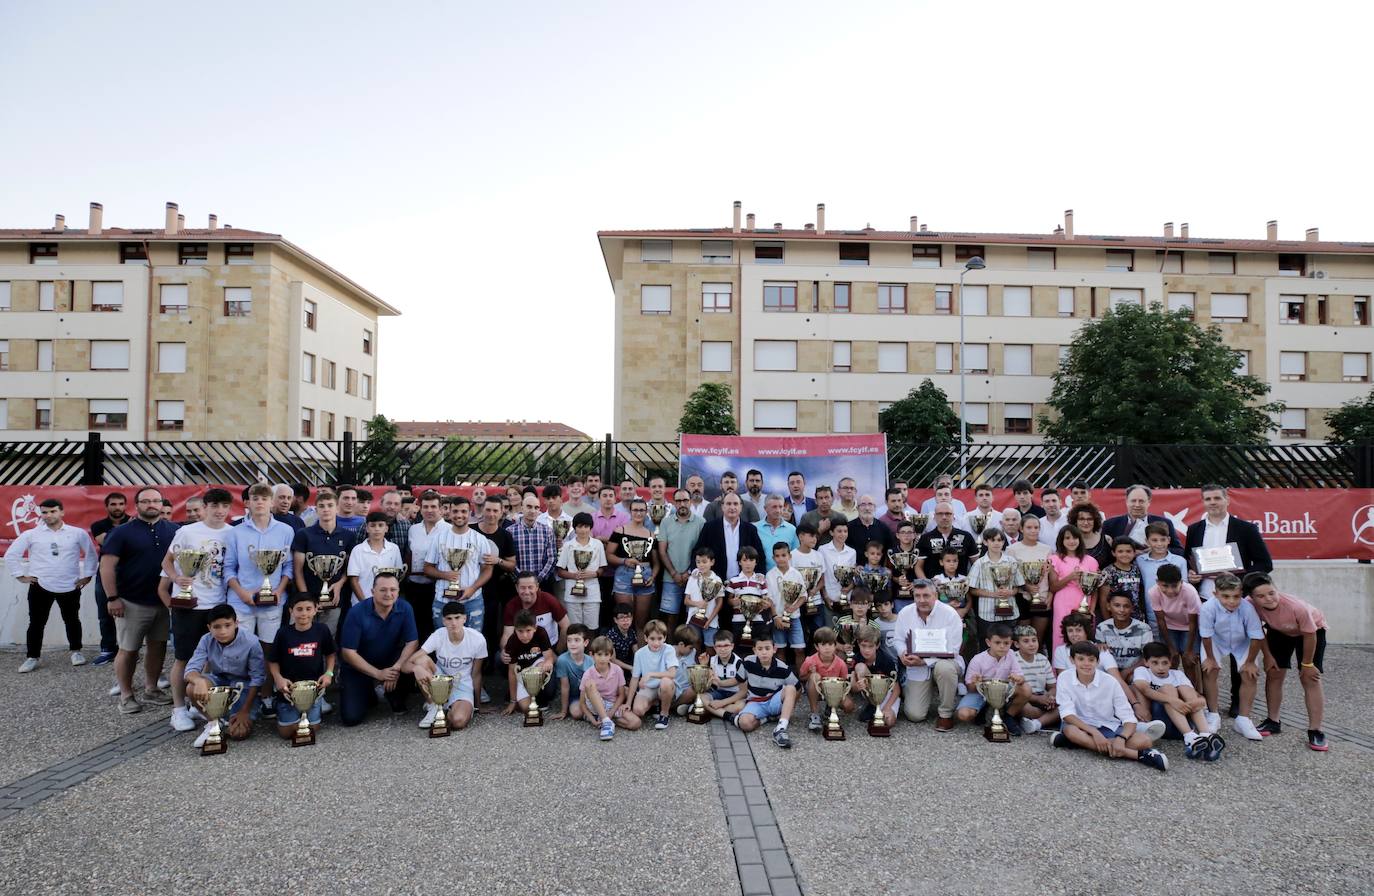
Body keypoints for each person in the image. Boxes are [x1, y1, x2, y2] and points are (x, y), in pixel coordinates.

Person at [158, 487, 233, 731]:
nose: (220, 511)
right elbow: (167, 561)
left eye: (224, 507)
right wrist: (176, 578)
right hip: (189, 604)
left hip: (219, 604)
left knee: (212, 659)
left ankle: (199, 703)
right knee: (184, 658)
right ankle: (178, 709)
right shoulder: (187, 531)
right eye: (215, 506)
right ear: (205, 508)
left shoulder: (233, 533)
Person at [100, 487, 179, 714]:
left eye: (156, 501)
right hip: (131, 602)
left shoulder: (174, 530)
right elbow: (106, 567)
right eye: (146, 501)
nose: (152, 505)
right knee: (128, 649)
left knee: (158, 646)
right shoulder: (121, 532)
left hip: (163, 602)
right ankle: (126, 695)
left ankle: (151, 689)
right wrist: (112, 598)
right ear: (137, 505)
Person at [6, 497, 97, 672]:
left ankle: (76, 652)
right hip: (40, 585)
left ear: (62, 512)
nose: (48, 515)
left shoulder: (77, 533)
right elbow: (12, 555)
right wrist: (20, 576)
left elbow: (91, 554)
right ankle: (32, 657)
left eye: (53, 511)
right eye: (45, 512)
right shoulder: (31, 534)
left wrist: (88, 575)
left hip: (70, 585)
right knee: (36, 623)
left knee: (72, 620)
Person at [1051, 641, 1169, 772]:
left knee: (1145, 741)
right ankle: (1139, 756)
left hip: (1107, 725)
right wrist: (1094, 733)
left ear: (1097, 662)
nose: (1086, 664)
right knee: (1070, 730)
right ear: (1072, 660)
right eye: (1081, 659)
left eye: (1091, 660)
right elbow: (1067, 715)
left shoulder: (1110, 682)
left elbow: (1128, 717)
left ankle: (1076, 743)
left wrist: (1121, 738)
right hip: (1079, 726)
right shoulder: (1064, 678)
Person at [1244, 572, 1329, 751]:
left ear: (1276, 589)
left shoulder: (1296, 607)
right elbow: (1257, 629)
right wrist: (1267, 656)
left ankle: (1316, 730)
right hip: (1278, 631)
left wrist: (1307, 664)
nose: (1268, 599)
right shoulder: (1249, 605)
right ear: (1252, 597)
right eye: (1261, 596)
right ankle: (1273, 720)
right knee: (1274, 673)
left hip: (1310, 633)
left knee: (1309, 678)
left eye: (1271, 593)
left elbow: (1310, 634)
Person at [337, 572, 419, 725]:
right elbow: (348, 653)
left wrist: (396, 668)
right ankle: (369, 691)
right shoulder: (356, 612)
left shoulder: (405, 607)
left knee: (413, 665)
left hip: (390, 665)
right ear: (372, 591)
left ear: (398, 591)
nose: (388, 594)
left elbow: (412, 642)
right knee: (351, 718)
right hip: (359, 667)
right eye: (383, 590)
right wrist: (378, 674)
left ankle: (393, 695)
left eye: (393, 590)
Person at [183, 604, 265, 748]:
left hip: (242, 687)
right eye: (217, 627)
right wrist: (199, 681)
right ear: (209, 628)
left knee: (238, 734)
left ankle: (235, 716)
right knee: (191, 687)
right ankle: (213, 722)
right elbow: (190, 669)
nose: (223, 631)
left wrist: (244, 711)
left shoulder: (251, 642)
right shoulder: (206, 639)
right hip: (219, 681)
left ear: (236, 623)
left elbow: (257, 679)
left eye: (228, 625)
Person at [1196, 573, 1265, 739]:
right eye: (1225, 596)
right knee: (1210, 670)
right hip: (1216, 640)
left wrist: (1249, 662)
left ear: (1241, 593)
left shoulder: (1248, 608)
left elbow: (1257, 636)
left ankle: (1243, 719)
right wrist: (1211, 659)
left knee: (1250, 674)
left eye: (1236, 596)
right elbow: (1206, 635)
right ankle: (1213, 714)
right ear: (1215, 594)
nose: (1232, 601)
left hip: (1243, 641)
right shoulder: (1207, 608)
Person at [1131, 642, 1223, 761]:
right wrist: (1173, 700)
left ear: (1170, 662)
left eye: (1165, 663)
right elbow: (1144, 689)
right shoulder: (1142, 671)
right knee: (1168, 688)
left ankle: (1204, 736)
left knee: (1185, 689)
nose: (1161, 667)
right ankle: (1190, 737)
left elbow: (1198, 699)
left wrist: (1194, 702)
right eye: (1155, 663)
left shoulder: (1177, 674)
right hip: (1159, 723)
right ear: (1146, 662)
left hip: (1182, 722)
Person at [408, 599, 487, 732]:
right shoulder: (438, 635)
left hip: (462, 684)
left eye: (457, 618)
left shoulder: (477, 639)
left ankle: (447, 709)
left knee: (458, 721)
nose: (453, 623)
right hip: (439, 679)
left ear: (464, 618)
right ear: (443, 621)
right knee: (421, 661)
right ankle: (433, 704)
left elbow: (476, 673)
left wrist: (478, 704)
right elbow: (410, 661)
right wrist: (416, 668)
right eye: (449, 619)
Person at [895, 579, 965, 729]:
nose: (921, 600)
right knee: (915, 715)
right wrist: (902, 653)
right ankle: (929, 690)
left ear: (935, 595)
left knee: (944, 669)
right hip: (917, 666)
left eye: (926, 595)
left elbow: (953, 649)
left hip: (946, 662)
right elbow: (898, 639)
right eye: (917, 596)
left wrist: (924, 661)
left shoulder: (950, 614)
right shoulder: (905, 613)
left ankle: (945, 714)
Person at [1185, 484, 1273, 601]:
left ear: (1227, 500)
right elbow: (1188, 560)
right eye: (1208, 499)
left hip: (1236, 597)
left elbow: (1265, 564)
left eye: (1217, 498)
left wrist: (1238, 578)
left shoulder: (1246, 529)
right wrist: (1191, 574)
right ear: (1203, 502)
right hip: (1202, 597)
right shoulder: (1194, 529)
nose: (1212, 502)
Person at [423, 496, 495, 636]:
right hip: (443, 600)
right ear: (449, 513)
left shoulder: (479, 539)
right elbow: (427, 568)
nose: (459, 515)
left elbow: (487, 570)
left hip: (472, 600)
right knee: (443, 642)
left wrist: (472, 589)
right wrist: (445, 575)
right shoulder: (439, 538)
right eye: (455, 511)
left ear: (470, 513)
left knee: (473, 642)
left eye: (463, 511)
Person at [268, 593, 336, 740]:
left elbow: (330, 654)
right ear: (291, 611)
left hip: (312, 691)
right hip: (288, 692)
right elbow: (273, 661)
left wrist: (328, 673)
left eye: (308, 608)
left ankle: (312, 709)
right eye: (299, 609)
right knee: (286, 734)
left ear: (316, 609)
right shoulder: (283, 633)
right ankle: (279, 706)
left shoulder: (322, 630)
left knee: (313, 729)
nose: (304, 613)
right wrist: (278, 678)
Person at [714, 630, 797, 749]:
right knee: (745, 724)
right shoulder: (748, 661)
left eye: (767, 648)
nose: (764, 652)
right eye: (760, 649)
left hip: (774, 700)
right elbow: (737, 679)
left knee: (790, 688)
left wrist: (790, 706)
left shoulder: (783, 668)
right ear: (754, 650)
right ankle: (766, 719)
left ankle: (780, 729)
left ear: (774, 649)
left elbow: (797, 689)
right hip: (755, 701)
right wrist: (720, 682)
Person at [291, 488, 356, 636]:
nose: (326, 509)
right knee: (302, 638)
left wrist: (340, 584)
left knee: (328, 638)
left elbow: (350, 568)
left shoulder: (348, 536)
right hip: (307, 600)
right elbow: (298, 570)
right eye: (321, 506)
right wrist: (306, 598)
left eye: (330, 505)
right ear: (316, 510)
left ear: (337, 508)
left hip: (334, 600)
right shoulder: (304, 534)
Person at [956, 623, 1034, 734]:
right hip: (980, 692)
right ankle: (984, 710)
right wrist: (975, 682)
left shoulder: (1011, 655)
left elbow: (1020, 678)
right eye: (997, 643)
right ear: (988, 642)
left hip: (1002, 692)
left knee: (1026, 689)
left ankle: (1008, 717)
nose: (1002, 646)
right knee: (964, 715)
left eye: (1006, 643)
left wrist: (1018, 679)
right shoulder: (978, 659)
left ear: (1011, 643)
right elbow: (970, 688)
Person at [89, 491, 130, 665]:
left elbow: (126, 543)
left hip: (129, 574)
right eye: (113, 504)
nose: (117, 507)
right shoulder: (98, 525)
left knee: (131, 614)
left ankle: (128, 650)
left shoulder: (135, 522)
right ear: (107, 506)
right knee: (105, 613)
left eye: (121, 504)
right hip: (105, 574)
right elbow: (106, 542)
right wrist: (128, 533)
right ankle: (107, 649)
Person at [656, 488, 706, 627]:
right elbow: (662, 551)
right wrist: (674, 573)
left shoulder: (701, 522)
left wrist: (689, 572)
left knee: (693, 617)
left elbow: (702, 551)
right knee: (670, 618)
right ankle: (672, 647)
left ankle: (689, 647)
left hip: (695, 578)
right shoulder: (666, 522)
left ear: (690, 502)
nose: (682, 504)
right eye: (678, 501)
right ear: (674, 503)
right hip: (670, 577)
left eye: (685, 500)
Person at [608, 498, 659, 631]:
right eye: (635, 510)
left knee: (641, 623)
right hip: (623, 574)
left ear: (646, 512)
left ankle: (640, 650)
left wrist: (653, 577)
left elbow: (656, 563)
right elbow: (608, 555)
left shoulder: (651, 535)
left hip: (645, 575)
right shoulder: (620, 531)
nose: (638, 513)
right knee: (624, 620)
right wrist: (624, 561)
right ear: (630, 512)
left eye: (642, 510)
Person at [693, 492, 766, 585]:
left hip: (743, 584)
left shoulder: (750, 529)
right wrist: (696, 571)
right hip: (716, 583)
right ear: (722, 507)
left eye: (735, 504)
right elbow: (698, 551)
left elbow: (760, 555)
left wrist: (759, 576)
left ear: (741, 507)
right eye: (728, 504)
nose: (732, 507)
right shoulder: (709, 528)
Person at [967, 528, 1025, 642]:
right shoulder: (980, 563)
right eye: (992, 540)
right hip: (987, 613)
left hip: (1010, 612)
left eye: (999, 540)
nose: (996, 543)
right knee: (987, 646)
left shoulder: (1011, 561)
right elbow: (972, 590)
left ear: (1003, 542)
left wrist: (1011, 592)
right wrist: (992, 594)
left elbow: (1018, 586)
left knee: (1008, 645)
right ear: (985, 542)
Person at [1047, 526, 1098, 654]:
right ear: (1061, 540)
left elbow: (1095, 589)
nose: (1072, 541)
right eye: (1067, 538)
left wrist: (1091, 609)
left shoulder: (1091, 561)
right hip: (1062, 603)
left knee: (1083, 635)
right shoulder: (1054, 559)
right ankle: (1059, 669)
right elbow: (1053, 587)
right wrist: (1070, 577)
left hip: (1084, 603)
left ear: (1080, 539)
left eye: (1075, 537)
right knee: (1062, 636)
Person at [580, 635, 641, 739]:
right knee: (590, 684)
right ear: (592, 655)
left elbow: (621, 695)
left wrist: (611, 712)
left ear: (611, 655)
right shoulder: (588, 673)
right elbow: (582, 703)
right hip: (595, 704)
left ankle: (605, 720)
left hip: (611, 704)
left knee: (636, 723)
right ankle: (605, 721)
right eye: (599, 655)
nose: (603, 658)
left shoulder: (617, 670)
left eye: (606, 654)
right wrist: (592, 720)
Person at [404, 490, 445, 642]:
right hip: (414, 587)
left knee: (435, 626)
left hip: (437, 586)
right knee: (416, 627)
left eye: (433, 507)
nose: (429, 510)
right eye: (426, 507)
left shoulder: (448, 530)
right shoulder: (413, 529)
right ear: (420, 509)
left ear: (440, 509)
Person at [555, 512, 608, 628]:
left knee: (592, 627)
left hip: (592, 592)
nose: (583, 530)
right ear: (574, 528)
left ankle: (590, 647)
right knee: (575, 628)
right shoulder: (567, 545)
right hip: (572, 594)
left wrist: (593, 574)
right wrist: (575, 576)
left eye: (586, 526)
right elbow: (560, 571)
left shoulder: (597, 544)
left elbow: (603, 568)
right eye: (579, 526)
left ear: (590, 527)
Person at [1007, 514, 1053, 646]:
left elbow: (1052, 575)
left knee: (1037, 640)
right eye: (1029, 527)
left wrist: (1051, 593)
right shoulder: (1012, 550)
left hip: (1042, 598)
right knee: (1023, 639)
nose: (1033, 530)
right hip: (1022, 598)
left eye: (1036, 527)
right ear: (1021, 529)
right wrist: (1025, 586)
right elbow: (1009, 576)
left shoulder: (1047, 549)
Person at [501, 609, 556, 718]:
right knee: (525, 708)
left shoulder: (541, 633)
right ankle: (525, 698)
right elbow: (512, 672)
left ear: (535, 628)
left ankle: (540, 696)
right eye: (520, 631)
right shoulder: (512, 641)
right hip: (522, 673)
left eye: (528, 630)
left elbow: (549, 657)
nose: (524, 635)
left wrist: (548, 663)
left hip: (538, 663)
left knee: (540, 668)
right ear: (515, 629)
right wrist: (513, 701)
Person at [626, 618, 678, 729]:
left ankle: (664, 714)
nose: (656, 643)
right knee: (638, 710)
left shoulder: (669, 649)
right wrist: (628, 703)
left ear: (665, 638)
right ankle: (655, 703)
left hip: (664, 686)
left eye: (660, 638)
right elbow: (634, 678)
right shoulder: (640, 654)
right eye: (652, 639)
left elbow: (672, 673)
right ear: (645, 638)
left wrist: (650, 674)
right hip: (649, 687)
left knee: (666, 682)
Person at [1103, 485, 1183, 553]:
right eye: (1133, 501)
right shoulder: (1110, 524)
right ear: (1127, 501)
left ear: (1149, 502)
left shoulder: (1165, 523)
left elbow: (1179, 550)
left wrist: (1157, 550)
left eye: (1141, 501)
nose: (1137, 505)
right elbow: (1103, 552)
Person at [347, 512, 403, 607]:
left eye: (380, 525)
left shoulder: (394, 549)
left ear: (386, 528)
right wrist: (365, 603)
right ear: (367, 528)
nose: (377, 529)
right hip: (362, 603)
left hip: (387, 603)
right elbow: (354, 580)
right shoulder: (358, 550)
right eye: (373, 525)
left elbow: (397, 577)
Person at [799, 626, 850, 732]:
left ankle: (831, 707)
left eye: (830, 644)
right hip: (816, 689)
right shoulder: (810, 661)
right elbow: (801, 677)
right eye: (823, 644)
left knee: (849, 706)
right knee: (815, 676)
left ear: (835, 646)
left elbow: (844, 682)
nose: (827, 648)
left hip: (834, 691)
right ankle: (815, 714)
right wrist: (810, 673)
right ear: (817, 647)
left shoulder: (841, 663)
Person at [766, 542, 807, 669]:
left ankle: (802, 680)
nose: (781, 558)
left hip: (794, 617)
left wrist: (794, 607)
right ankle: (782, 679)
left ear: (789, 556)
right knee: (780, 649)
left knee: (799, 649)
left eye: (784, 555)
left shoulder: (796, 574)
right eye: (777, 556)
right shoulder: (770, 575)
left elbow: (803, 595)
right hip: (778, 618)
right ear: (773, 558)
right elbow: (769, 599)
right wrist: (775, 617)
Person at [851, 625, 901, 728]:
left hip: (888, 695)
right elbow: (853, 687)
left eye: (870, 646)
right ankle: (872, 705)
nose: (867, 650)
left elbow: (896, 689)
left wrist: (887, 707)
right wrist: (858, 686)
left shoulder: (886, 661)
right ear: (858, 644)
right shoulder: (856, 659)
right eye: (863, 646)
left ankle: (877, 708)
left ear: (877, 645)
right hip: (870, 694)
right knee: (860, 666)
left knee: (889, 721)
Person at [508, 492, 558, 595]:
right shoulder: (510, 531)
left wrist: (539, 579)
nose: (533, 511)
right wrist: (520, 579)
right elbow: (508, 559)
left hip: (542, 584)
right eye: (529, 507)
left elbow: (552, 558)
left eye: (536, 508)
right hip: (517, 585)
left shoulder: (547, 531)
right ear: (522, 508)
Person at [1149, 564, 1202, 661]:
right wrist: (1171, 647)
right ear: (1157, 582)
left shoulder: (1190, 592)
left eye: (1174, 586)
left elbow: (1193, 622)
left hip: (1188, 627)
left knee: (1190, 661)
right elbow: (1160, 620)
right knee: (1171, 659)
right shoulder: (1153, 592)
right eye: (1165, 586)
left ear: (1181, 582)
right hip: (1168, 627)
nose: (1170, 591)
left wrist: (1189, 650)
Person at [1096, 592, 1153, 679]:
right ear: (1108, 606)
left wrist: (1127, 671)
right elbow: (1100, 656)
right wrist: (1098, 645)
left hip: (1134, 670)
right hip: (1109, 670)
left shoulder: (1144, 629)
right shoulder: (1102, 627)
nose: (1121, 610)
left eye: (1126, 606)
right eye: (1117, 605)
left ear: (1132, 608)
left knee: (1137, 679)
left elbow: (1148, 657)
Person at [1096, 537, 1148, 627]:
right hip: (1116, 618)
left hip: (1136, 618)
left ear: (1134, 553)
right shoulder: (1108, 572)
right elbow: (1103, 600)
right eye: (1120, 551)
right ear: (1113, 553)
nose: (1125, 554)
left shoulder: (1136, 569)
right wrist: (1109, 622)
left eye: (1128, 551)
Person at [1013, 626, 1058, 730]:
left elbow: (1052, 686)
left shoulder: (1043, 659)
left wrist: (1049, 697)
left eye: (1034, 640)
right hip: (1023, 697)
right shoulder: (1013, 659)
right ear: (1016, 644)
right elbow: (1014, 690)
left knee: (1064, 707)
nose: (1031, 644)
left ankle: (1036, 723)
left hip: (1042, 697)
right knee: (1026, 709)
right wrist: (1038, 699)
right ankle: (1047, 719)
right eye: (1026, 641)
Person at [915, 503, 976, 578]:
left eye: (948, 514)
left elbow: (976, 565)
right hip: (933, 587)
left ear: (953, 516)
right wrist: (927, 585)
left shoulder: (966, 537)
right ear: (934, 516)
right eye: (940, 514)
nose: (944, 517)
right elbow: (918, 567)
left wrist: (968, 583)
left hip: (960, 587)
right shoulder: (925, 538)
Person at [1136, 521, 1189, 608]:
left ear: (1169, 540)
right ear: (1147, 541)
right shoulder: (1140, 560)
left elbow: (1184, 587)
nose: (1159, 544)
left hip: (1175, 611)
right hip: (1150, 612)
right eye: (1154, 540)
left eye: (1163, 539)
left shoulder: (1180, 561)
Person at [551, 623, 595, 722]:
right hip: (574, 696)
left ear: (586, 642)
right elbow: (565, 687)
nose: (572, 644)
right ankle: (591, 715)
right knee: (576, 712)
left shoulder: (590, 661)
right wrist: (563, 711)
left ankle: (596, 713)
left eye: (577, 640)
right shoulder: (562, 660)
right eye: (569, 640)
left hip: (588, 695)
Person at [818, 519, 856, 622]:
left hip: (846, 599)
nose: (843, 534)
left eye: (845, 531)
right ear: (831, 532)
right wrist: (825, 596)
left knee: (846, 633)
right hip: (829, 598)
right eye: (839, 531)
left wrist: (849, 588)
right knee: (830, 634)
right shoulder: (822, 550)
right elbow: (821, 575)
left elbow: (852, 575)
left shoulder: (852, 552)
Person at [703, 628, 745, 716]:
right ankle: (724, 713)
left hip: (735, 695)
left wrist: (722, 702)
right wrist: (704, 666)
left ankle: (709, 710)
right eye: (719, 646)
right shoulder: (712, 660)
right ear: (714, 647)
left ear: (732, 646)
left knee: (738, 708)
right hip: (719, 692)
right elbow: (712, 680)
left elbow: (740, 687)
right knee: (702, 698)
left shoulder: (739, 662)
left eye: (726, 645)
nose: (723, 649)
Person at [755, 495, 799, 572]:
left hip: (785, 578)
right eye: (774, 507)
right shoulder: (755, 528)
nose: (778, 510)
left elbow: (795, 556)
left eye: (780, 507)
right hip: (760, 577)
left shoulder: (792, 529)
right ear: (765, 509)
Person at [668, 624, 703, 717]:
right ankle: (678, 707)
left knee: (696, 689)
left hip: (685, 689)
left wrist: (702, 664)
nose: (692, 650)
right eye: (690, 647)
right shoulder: (668, 652)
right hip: (672, 688)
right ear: (681, 644)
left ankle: (673, 707)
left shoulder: (693, 653)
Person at [1071, 503, 1112, 571]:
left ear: (1095, 521)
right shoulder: (1068, 542)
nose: (1086, 523)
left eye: (1089, 519)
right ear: (1075, 521)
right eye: (1081, 519)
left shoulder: (1107, 540)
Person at [603, 604, 638, 680]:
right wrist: (631, 668)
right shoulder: (611, 635)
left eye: (628, 617)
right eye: (621, 617)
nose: (626, 620)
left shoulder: (631, 632)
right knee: (619, 671)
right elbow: (613, 659)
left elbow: (636, 652)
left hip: (627, 661)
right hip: (613, 664)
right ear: (615, 620)